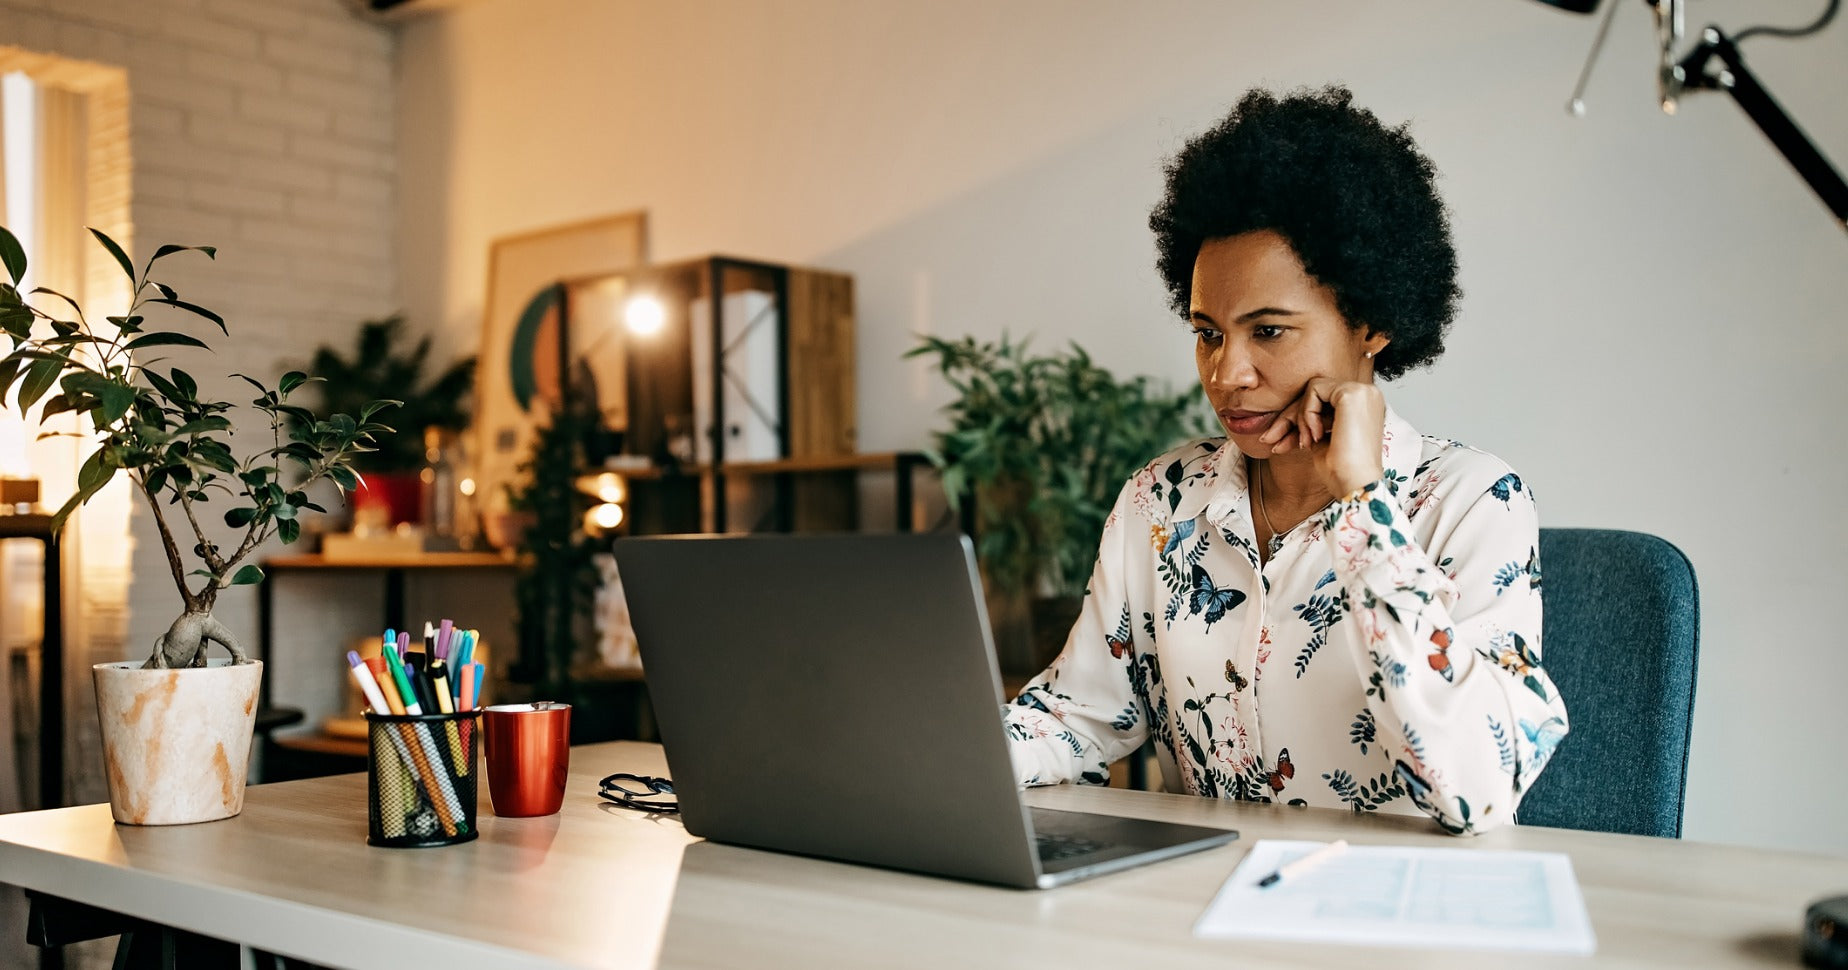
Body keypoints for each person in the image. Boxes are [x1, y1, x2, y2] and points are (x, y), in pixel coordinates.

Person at [1002, 86, 1567, 835]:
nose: (1225, 372)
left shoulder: (1472, 502)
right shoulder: (1162, 501)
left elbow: (1478, 787)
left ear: (1371, 323)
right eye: (1208, 332)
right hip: (1200, 915)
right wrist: (928, 748)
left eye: (1268, 331)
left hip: (1397, 927)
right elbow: (1079, 715)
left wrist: (1364, 502)